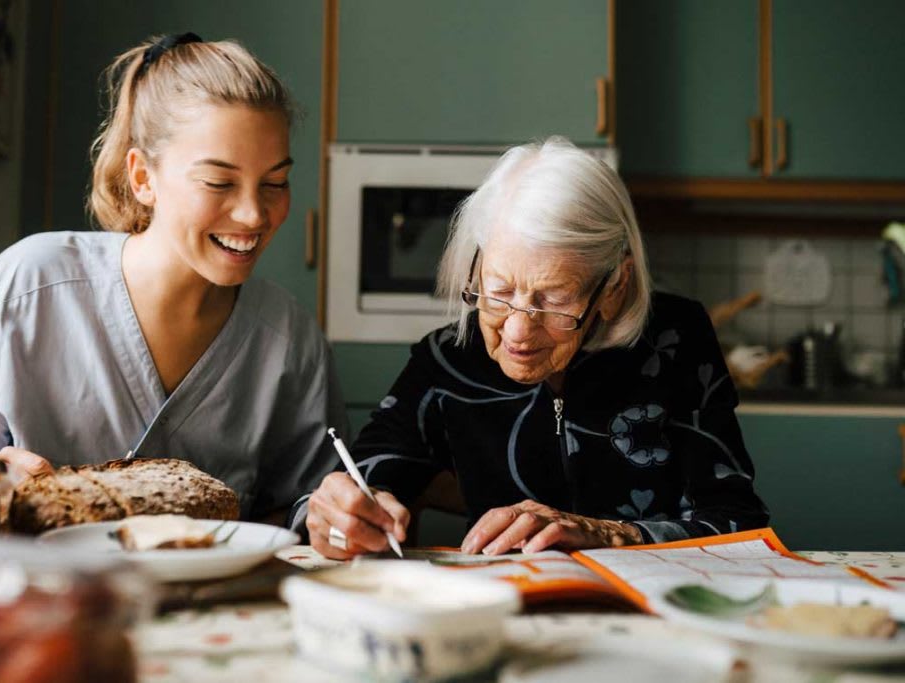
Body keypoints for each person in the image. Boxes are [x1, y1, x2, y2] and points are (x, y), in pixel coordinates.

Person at [0, 34, 345, 523]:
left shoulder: (290, 338)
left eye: (275, 183)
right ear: (143, 178)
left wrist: (333, 519)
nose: (254, 214)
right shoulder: (31, 285)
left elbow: (304, 511)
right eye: (219, 182)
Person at [305, 137, 768, 558]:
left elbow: (741, 524)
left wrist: (608, 533)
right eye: (499, 292)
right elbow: (362, 477)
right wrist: (340, 514)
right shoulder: (449, 358)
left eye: (554, 299)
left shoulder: (677, 340)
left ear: (613, 286)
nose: (519, 333)